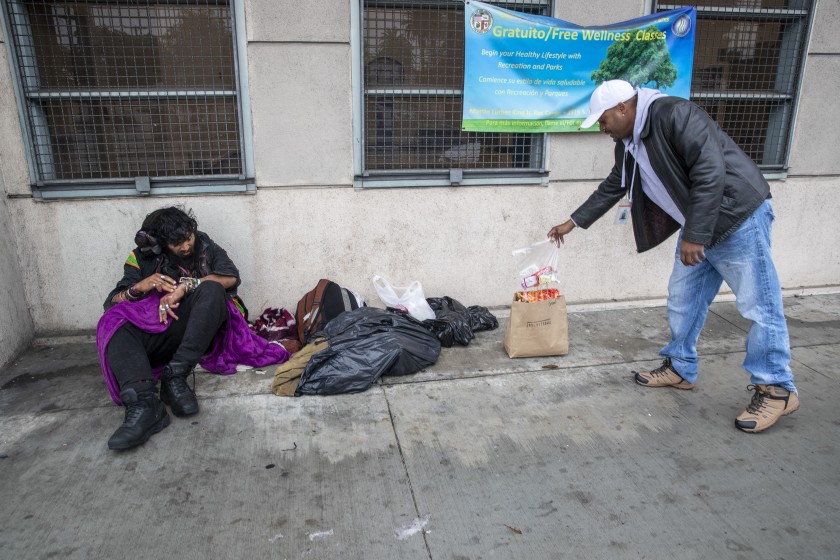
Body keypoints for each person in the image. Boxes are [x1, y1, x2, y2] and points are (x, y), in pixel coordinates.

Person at [547, 80, 798, 433]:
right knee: (683, 299)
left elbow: (710, 169)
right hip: (699, 224)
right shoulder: (628, 143)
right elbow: (615, 184)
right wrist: (572, 222)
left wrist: (694, 234)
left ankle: (776, 388)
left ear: (623, 108)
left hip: (737, 217)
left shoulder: (676, 114)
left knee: (760, 305)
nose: (602, 129)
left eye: (603, 121)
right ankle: (680, 367)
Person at [98, 206, 289, 450]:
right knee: (112, 321)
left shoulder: (205, 245)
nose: (186, 246)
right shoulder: (140, 257)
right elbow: (111, 302)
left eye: (188, 238)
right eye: (177, 243)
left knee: (212, 290)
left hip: (198, 331)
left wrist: (187, 286)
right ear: (161, 243)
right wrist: (141, 287)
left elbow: (230, 277)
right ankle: (143, 405)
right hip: (158, 328)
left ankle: (175, 377)